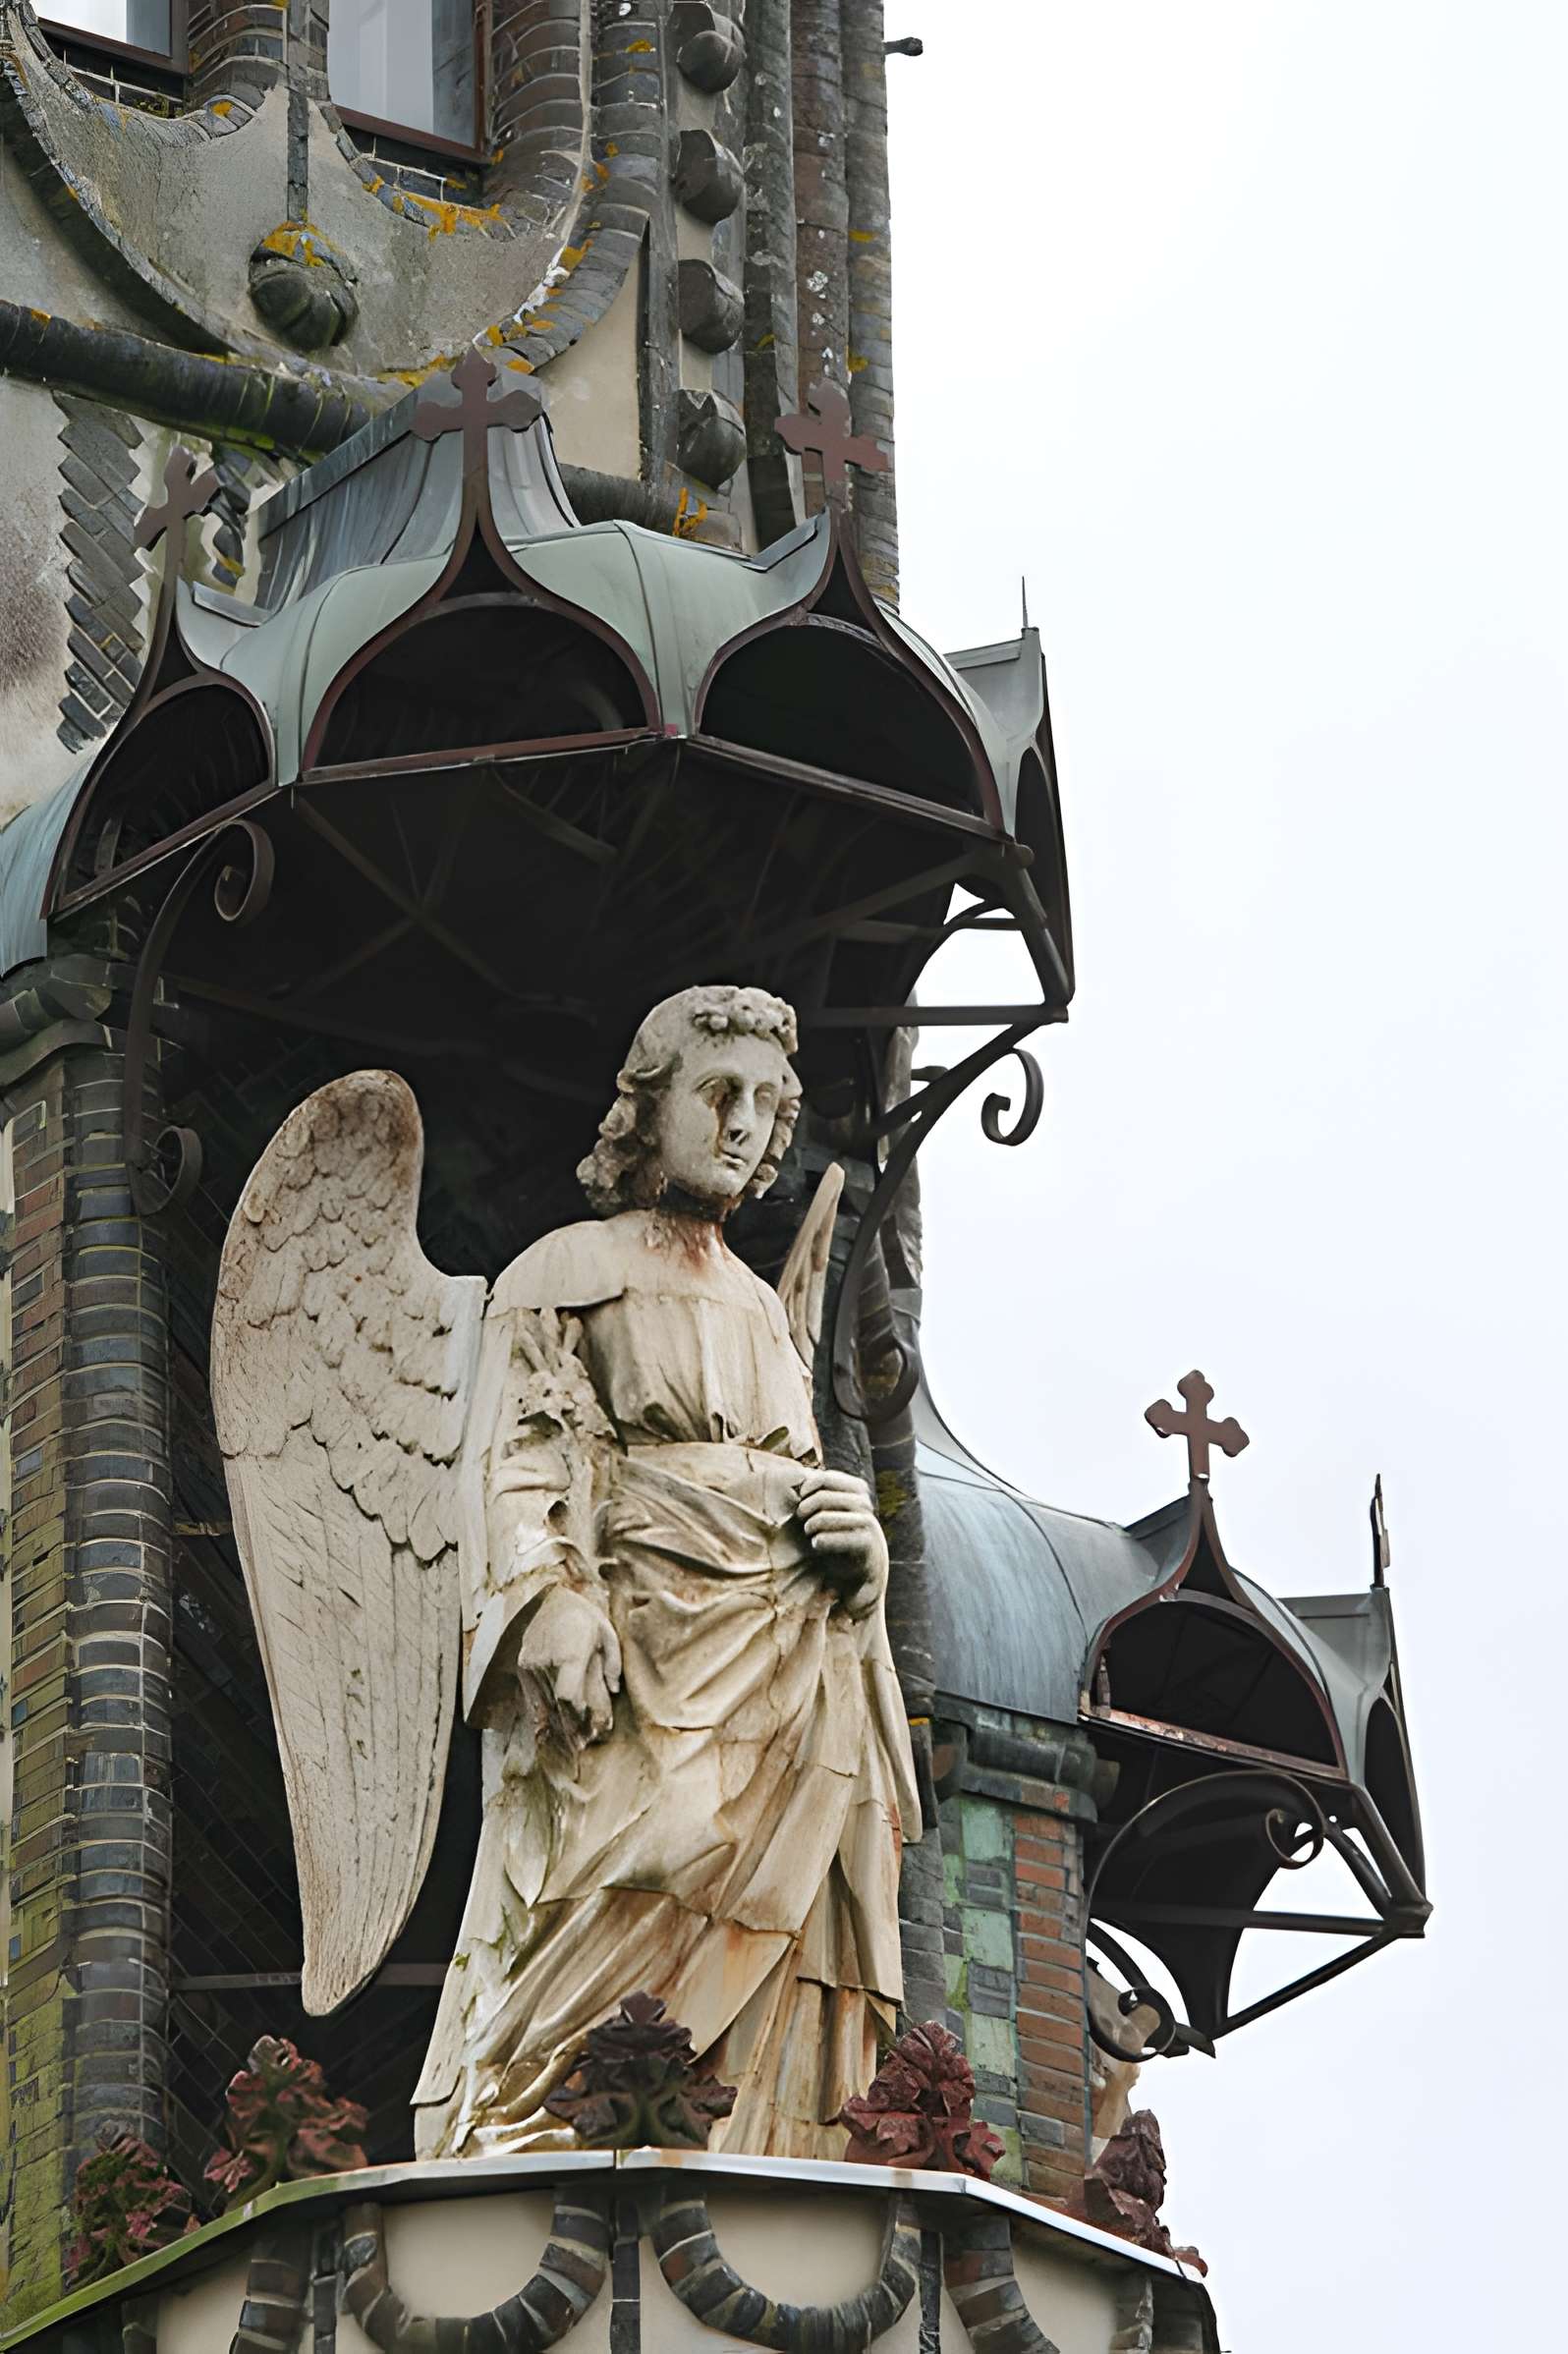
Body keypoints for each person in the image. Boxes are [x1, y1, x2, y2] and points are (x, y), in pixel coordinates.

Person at [412, 984, 921, 2159]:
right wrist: (548, 1597)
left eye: (768, 1104)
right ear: (649, 1108)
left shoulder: (763, 1309)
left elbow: (805, 1470)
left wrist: (867, 1552)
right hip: (647, 1637)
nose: (744, 1125)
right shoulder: (561, 1268)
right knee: (659, 1840)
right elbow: (524, 1443)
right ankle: (544, 2112)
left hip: (796, 1654)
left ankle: (756, 2133)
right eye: (718, 1094)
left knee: (808, 1904)